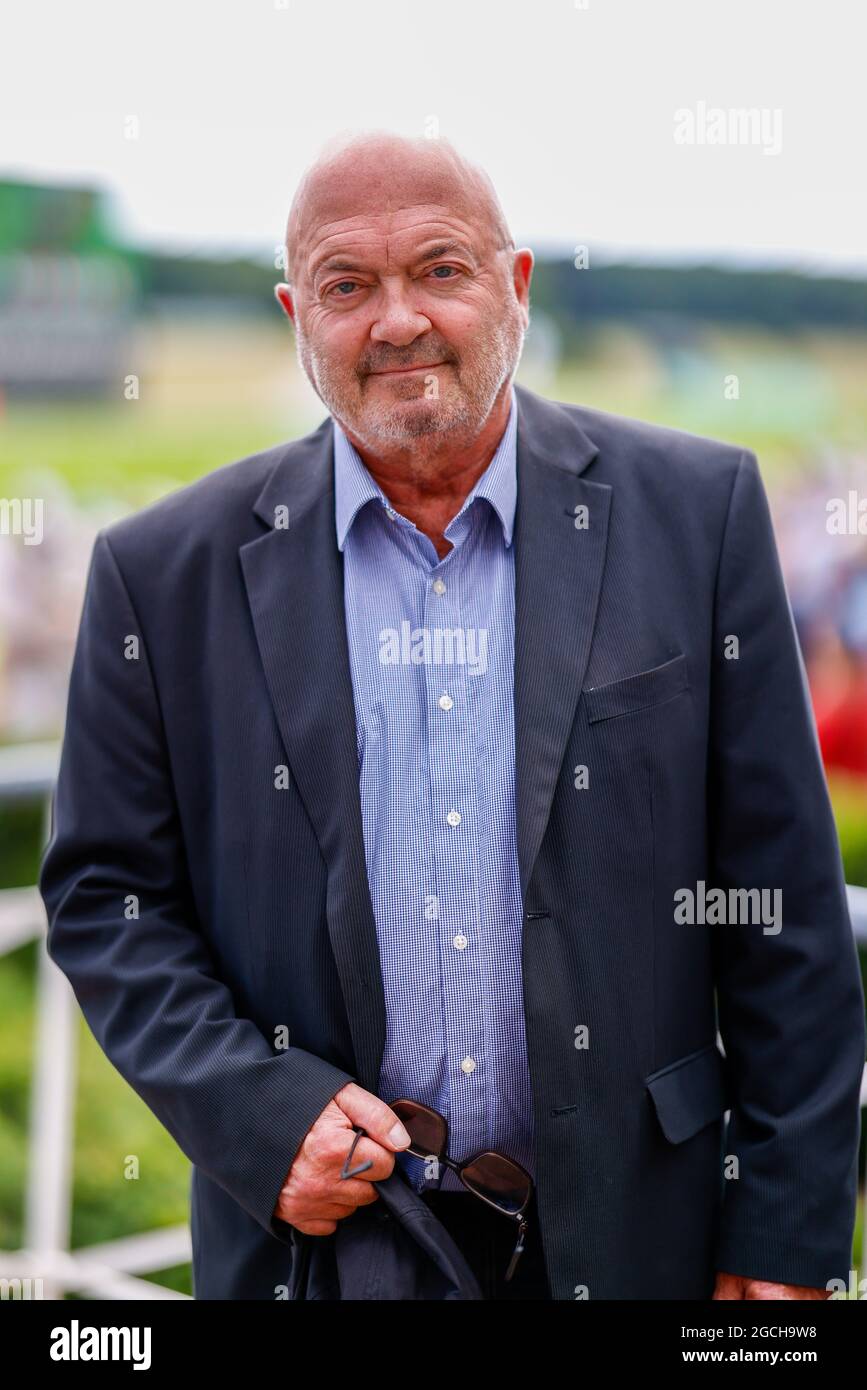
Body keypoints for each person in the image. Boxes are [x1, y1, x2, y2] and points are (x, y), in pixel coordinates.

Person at [39, 131, 866, 1301]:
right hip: (326, 1253)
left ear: (515, 288)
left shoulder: (700, 514)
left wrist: (784, 1245)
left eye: (440, 268)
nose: (397, 321)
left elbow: (783, 903)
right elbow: (107, 898)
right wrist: (261, 1114)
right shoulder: (160, 574)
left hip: (643, 1242)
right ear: (294, 315)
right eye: (346, 286)